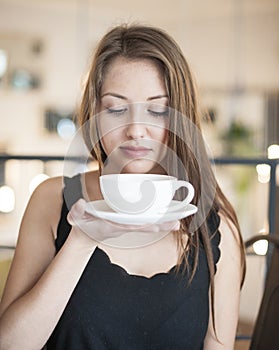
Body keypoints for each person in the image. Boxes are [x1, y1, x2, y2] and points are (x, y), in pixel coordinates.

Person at [0, 24, 245, 350]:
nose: (136, 130)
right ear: (95, 114)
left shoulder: (217, 228)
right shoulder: (52, 199)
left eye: (157, 110)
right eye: (116, 109)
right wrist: (81, 241)